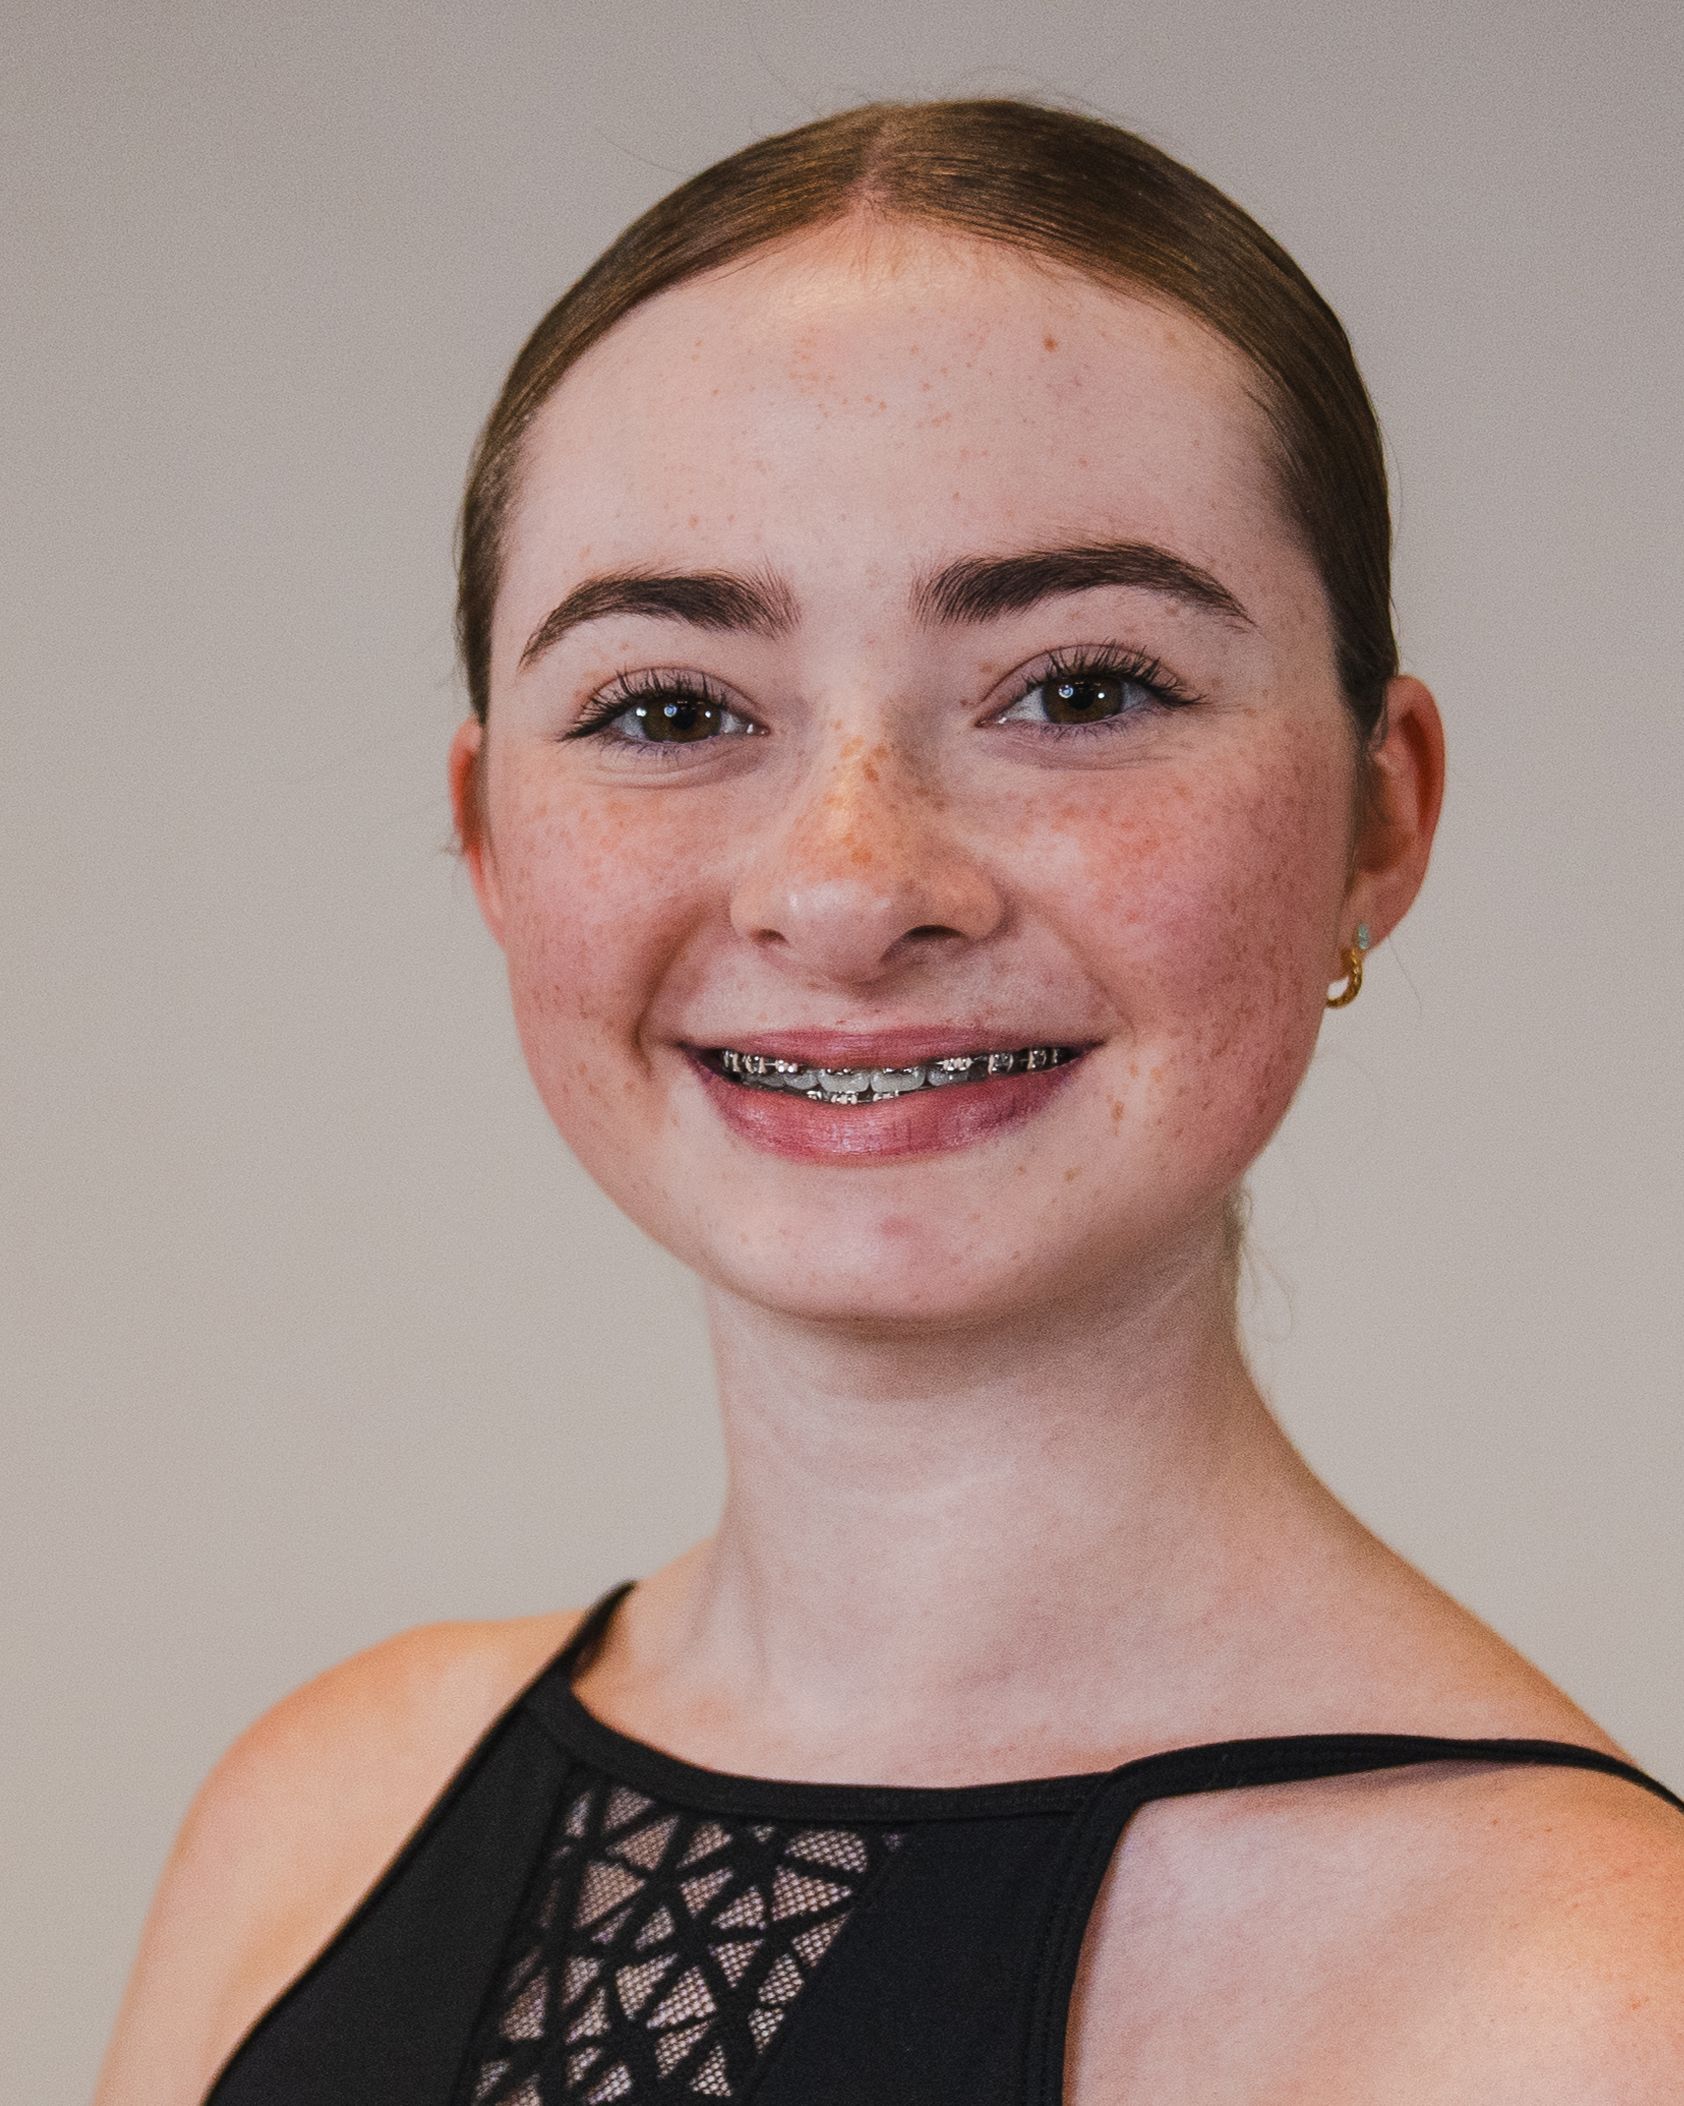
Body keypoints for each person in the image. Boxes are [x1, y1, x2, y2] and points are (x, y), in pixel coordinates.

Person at [96, 99, 1684, 2106]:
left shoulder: (1590, 2011)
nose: (848, 889)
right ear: (488, 837)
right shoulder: (317, 1815)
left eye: (1078, 689)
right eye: (670, 710)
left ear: (1379, 810)